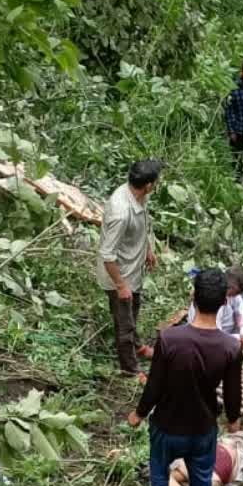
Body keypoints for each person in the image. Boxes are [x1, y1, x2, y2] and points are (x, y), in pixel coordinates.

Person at [128, 269, 243, 486]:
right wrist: (233, 420)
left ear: (193, 297)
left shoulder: (169, 339)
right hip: (202, 429)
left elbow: (155, 386)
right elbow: (233, 392)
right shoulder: (230, 347)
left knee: (159, 473)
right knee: (201, 478)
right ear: (225, 302)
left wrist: (139, 413)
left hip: (166, 426)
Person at [96, 159, 162, 382]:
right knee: (124, 324)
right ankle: (130, 370)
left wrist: (148, 249)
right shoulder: (121, 212)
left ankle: (139, 346)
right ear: (149, 185)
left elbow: (143, 225)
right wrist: (121, 285)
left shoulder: (139, 195)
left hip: (133, 269)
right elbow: (107, 254)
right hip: (119, 275)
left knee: (134, 310)